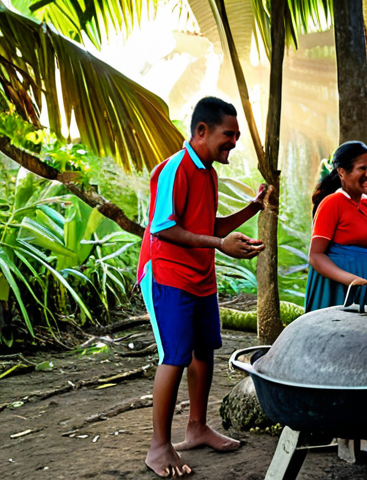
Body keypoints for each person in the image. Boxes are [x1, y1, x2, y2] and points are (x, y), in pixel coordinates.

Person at [136, 96, 271, 477]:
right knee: (175, 356)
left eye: (236, 136)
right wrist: (220, 247)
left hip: (200, 278)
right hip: (167, 276)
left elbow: (206, 227)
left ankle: (196, 428)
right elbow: (164, 227)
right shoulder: (174, 169)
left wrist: (251, 209)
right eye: (229, 135)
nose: (234, 142)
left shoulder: (208, 172)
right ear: (201, 131)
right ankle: (158, 447)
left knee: (204, 351)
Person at [305, 141, 367, 311]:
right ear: (342, 172)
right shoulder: (331, 203)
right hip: (337, 287)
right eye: (362, 168)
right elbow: (316, 256)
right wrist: (350, 279)